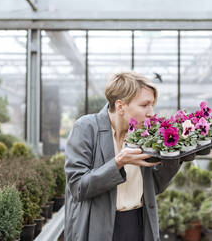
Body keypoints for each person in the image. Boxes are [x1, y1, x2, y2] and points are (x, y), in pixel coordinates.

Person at [64, 71, 183, 241]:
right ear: (120, 106)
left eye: (153, 105)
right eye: (144, 105)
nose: (151, 113)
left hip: (138, 224)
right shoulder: (86, 128)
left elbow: (155, 186)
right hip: (98, 228)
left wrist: (176, 157)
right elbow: (78, 187)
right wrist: (118, 162)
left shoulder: (146, 134)